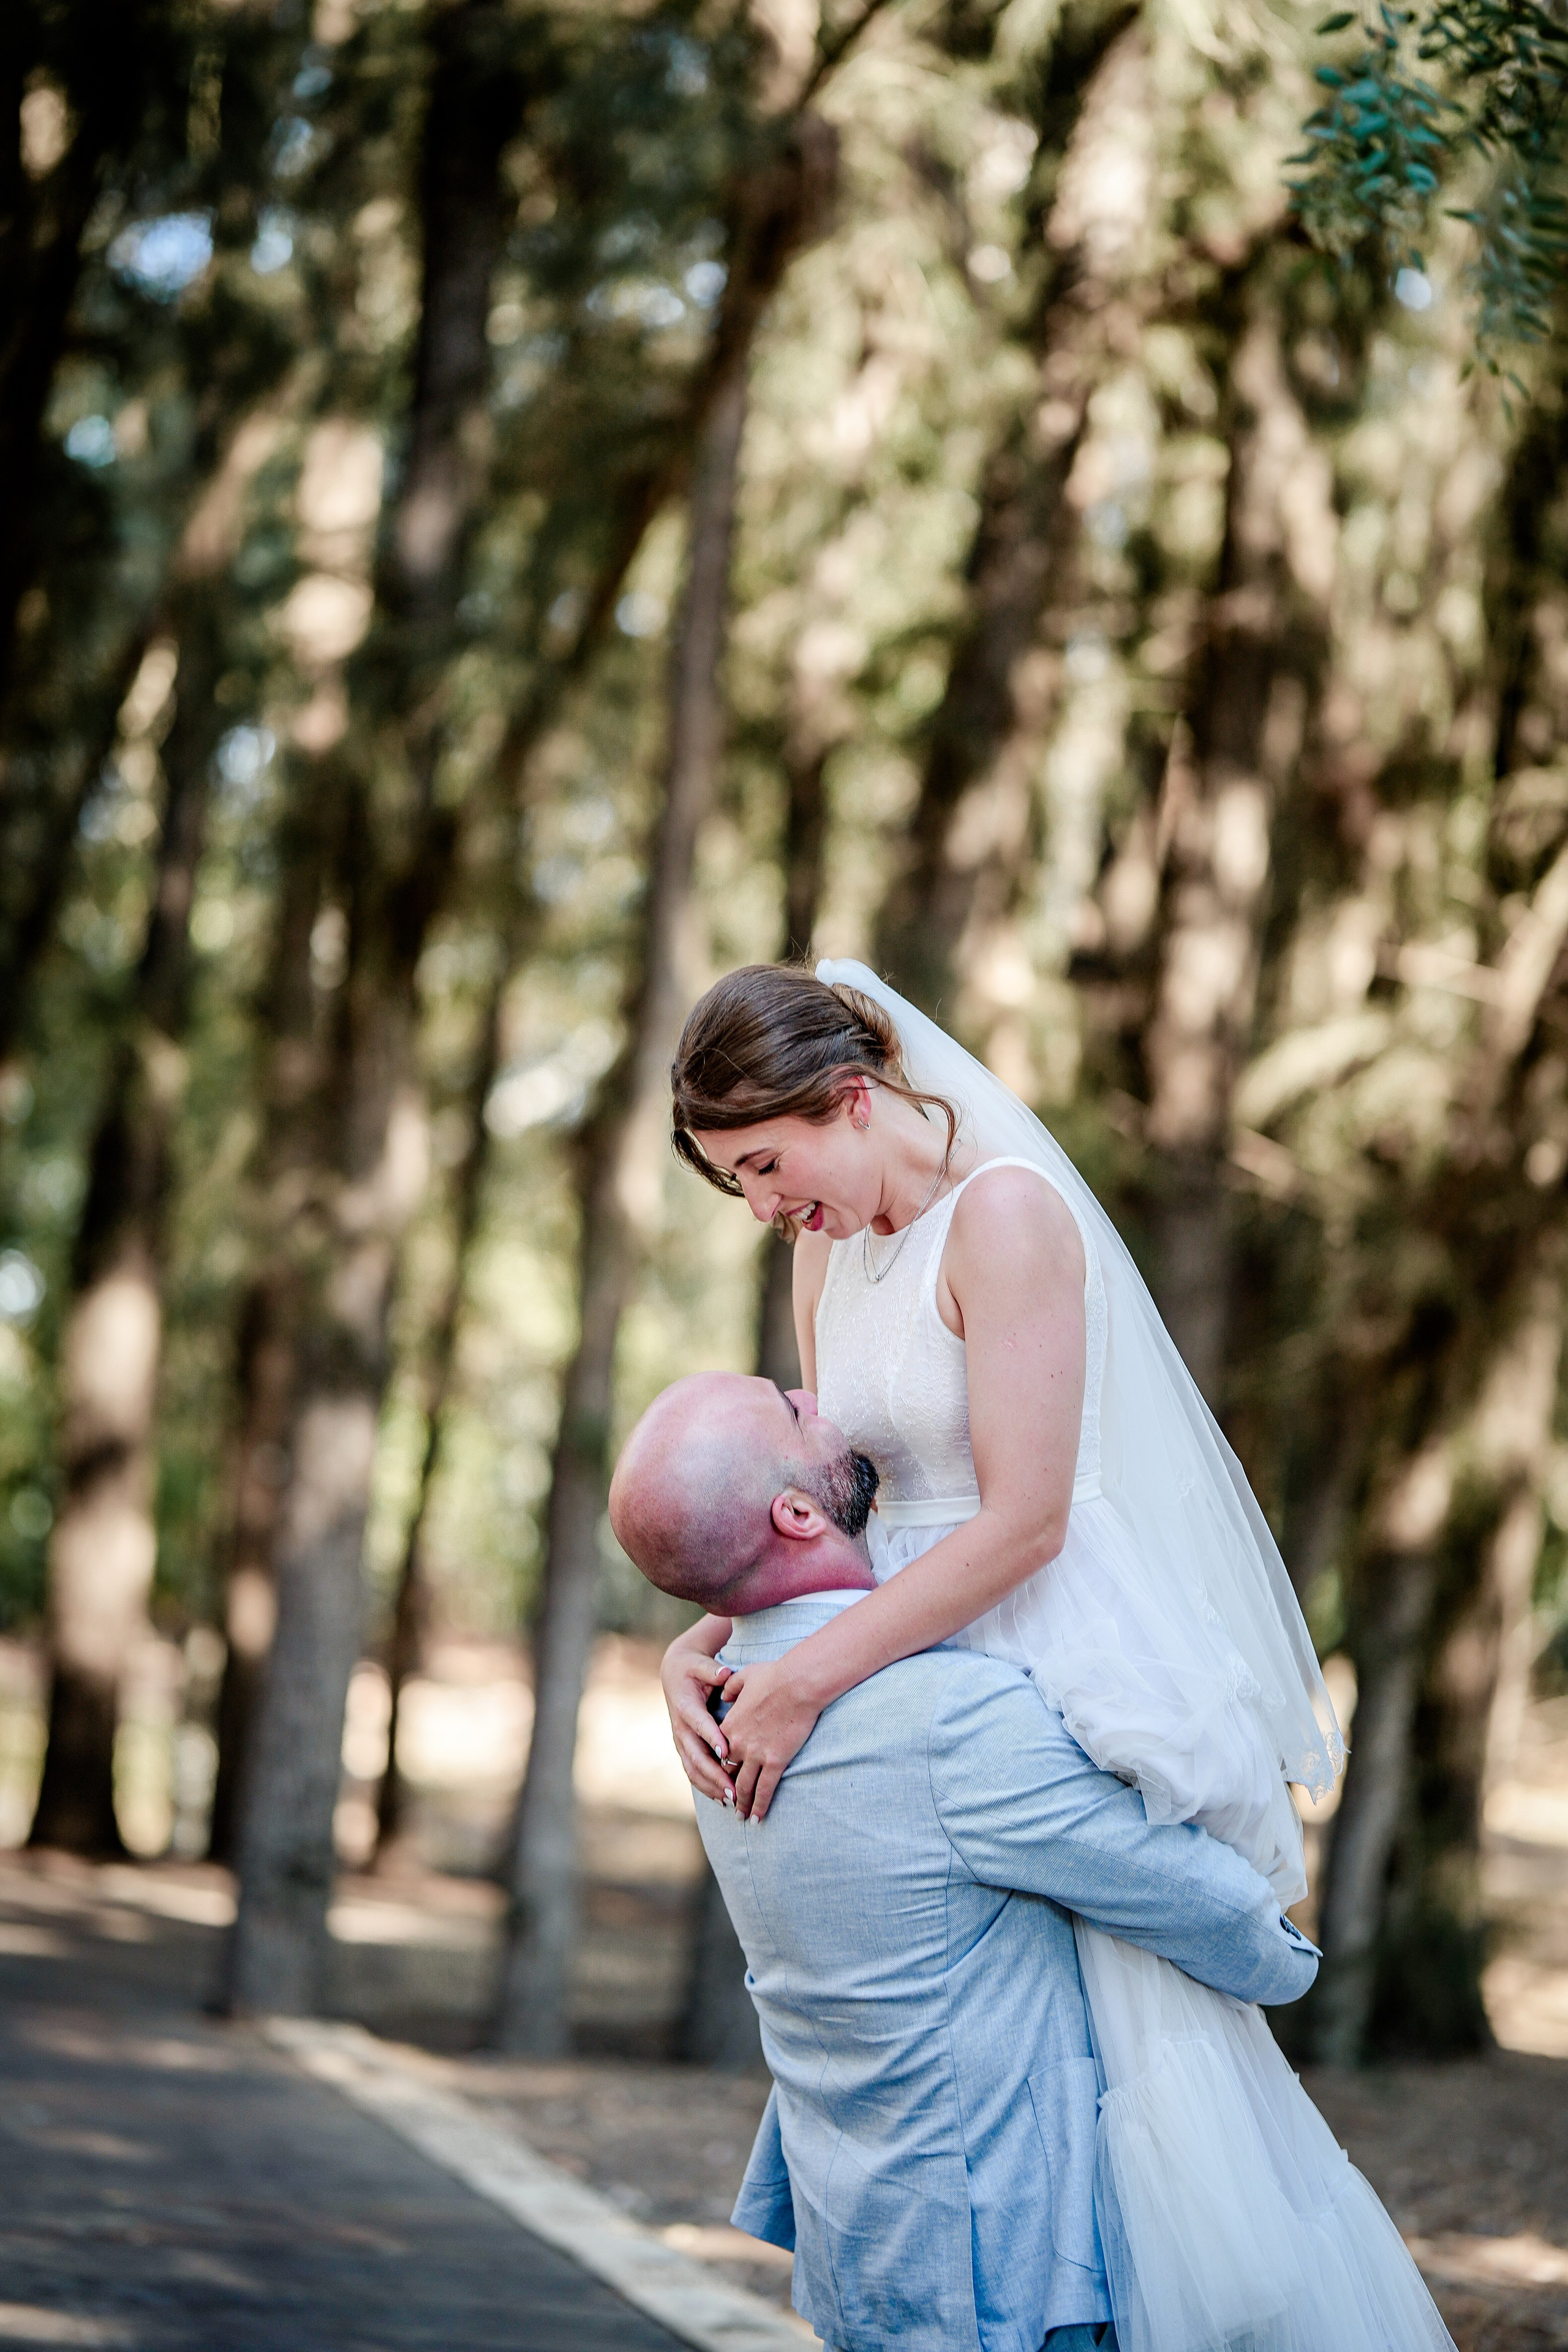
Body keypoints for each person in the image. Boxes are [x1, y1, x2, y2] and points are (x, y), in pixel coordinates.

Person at [657, 958, 1455, 2352]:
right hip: (889, 1648)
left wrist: (812, 1675)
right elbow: (831, 1499)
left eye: (768, 1165)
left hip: (1030, 1642)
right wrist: (704, 1641)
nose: (765, 1208)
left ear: (851, 1099)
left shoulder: (1004, 1221)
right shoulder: (821, 1248)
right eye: (739, 1183)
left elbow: (1024, 1523)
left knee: (1135, 2050)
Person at [609, 1370, 1325, 2352]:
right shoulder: (947, 1719)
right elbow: (1177, 1890)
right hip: (1005, 2271)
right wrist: (1289, 1956)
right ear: (798, 1512)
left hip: (861, 2245)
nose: (814, 1390)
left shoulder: (718, 1718)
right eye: (789, 1409)